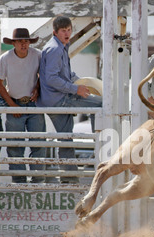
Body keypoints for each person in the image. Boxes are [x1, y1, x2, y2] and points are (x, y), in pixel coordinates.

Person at [37, 15, 102, 184]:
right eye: (63, 31)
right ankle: (99, 146)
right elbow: (51, 78)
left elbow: (64, 74)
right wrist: (75, 88)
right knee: (101, 104)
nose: (67, 33)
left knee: (65, 138)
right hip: (60, 99)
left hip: (54, 99)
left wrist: (80, 82)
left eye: (68, 30)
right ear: (55, 32)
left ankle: (69, 178)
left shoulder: (60, 46)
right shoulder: (56, 49)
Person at [0, 28, 46, 184]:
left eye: (26, 41)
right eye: (20, 41)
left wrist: (37, 88)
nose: (24, 44)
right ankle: (19, 183)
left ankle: (37, 181)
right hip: (14, 102)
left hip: (33, 103)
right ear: (14, 43)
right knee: (15, 146)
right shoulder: (5, 58)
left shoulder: (37, 55)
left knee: (38, 144)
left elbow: (43, 75)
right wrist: (11, 105)